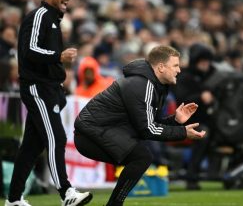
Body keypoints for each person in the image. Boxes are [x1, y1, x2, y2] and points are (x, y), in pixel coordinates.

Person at [73, 45, 206, 206]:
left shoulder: (154, 85)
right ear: (161, 67)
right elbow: (148, 130)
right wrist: (183, 132)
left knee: (141, 156)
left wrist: (175, 120)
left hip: (102, 130)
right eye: (175, 66)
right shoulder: (142, 85)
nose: (179, 70)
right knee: (141, 156)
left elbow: (147, 126)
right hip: (90, 133)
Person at [5, 0, 93, 206]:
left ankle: (14, 200)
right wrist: (59, 56)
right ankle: (67, 193)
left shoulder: (52, 19)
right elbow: (28, 50)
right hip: (38, 87)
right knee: (56, 138)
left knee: (31, 148)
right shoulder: (40, 16)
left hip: (50, 89)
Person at [173, 43, 217, 190]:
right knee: (203, 135)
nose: (205, 64)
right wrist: (200, 96)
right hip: (189, 121)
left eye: (207, 60)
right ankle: (192, 176)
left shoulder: (211, 76)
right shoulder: (185, 77)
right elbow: (181, 99)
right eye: (202, 61)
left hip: (206, 119)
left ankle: (213, 172)